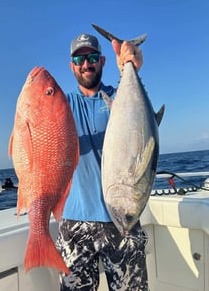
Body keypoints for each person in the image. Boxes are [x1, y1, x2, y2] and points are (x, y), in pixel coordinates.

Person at [55, 33, 148, 291]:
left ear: (103, 61)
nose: (87, 64)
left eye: (92, 57)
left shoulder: (120, 98)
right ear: (72, 65)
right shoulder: (61, 105)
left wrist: (130, 69)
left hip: (122, 221)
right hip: (74, 223)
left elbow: (141, 125)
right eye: (80, 59)